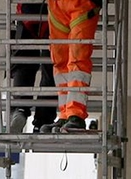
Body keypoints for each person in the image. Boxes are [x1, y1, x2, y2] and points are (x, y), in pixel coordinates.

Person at [44, 0, 102, 133]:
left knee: (78, 58)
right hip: (57, 6)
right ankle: (65, 114)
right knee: (60, 61)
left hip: (82, 4)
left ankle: (75, 114)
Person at [7, 3, 56, 134]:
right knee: (52, 69)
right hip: (55, 15)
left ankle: (20, 108)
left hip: (26, 14)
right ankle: (43, 122)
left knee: (23, 65)